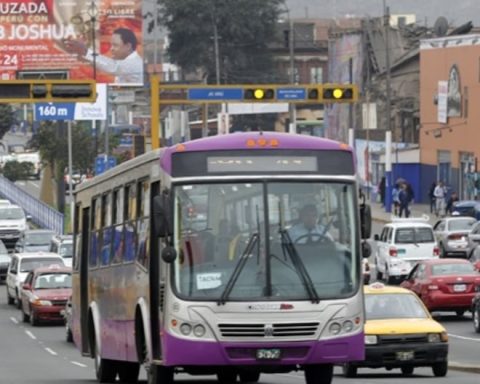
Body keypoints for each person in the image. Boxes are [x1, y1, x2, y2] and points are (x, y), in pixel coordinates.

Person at [62, 27, 143, 84]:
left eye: (115, 45)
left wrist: (85, 51)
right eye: (111, 45)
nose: (111, 49)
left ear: (128, 46)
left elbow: (113, 66)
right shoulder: (127, 62)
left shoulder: (134, 64)